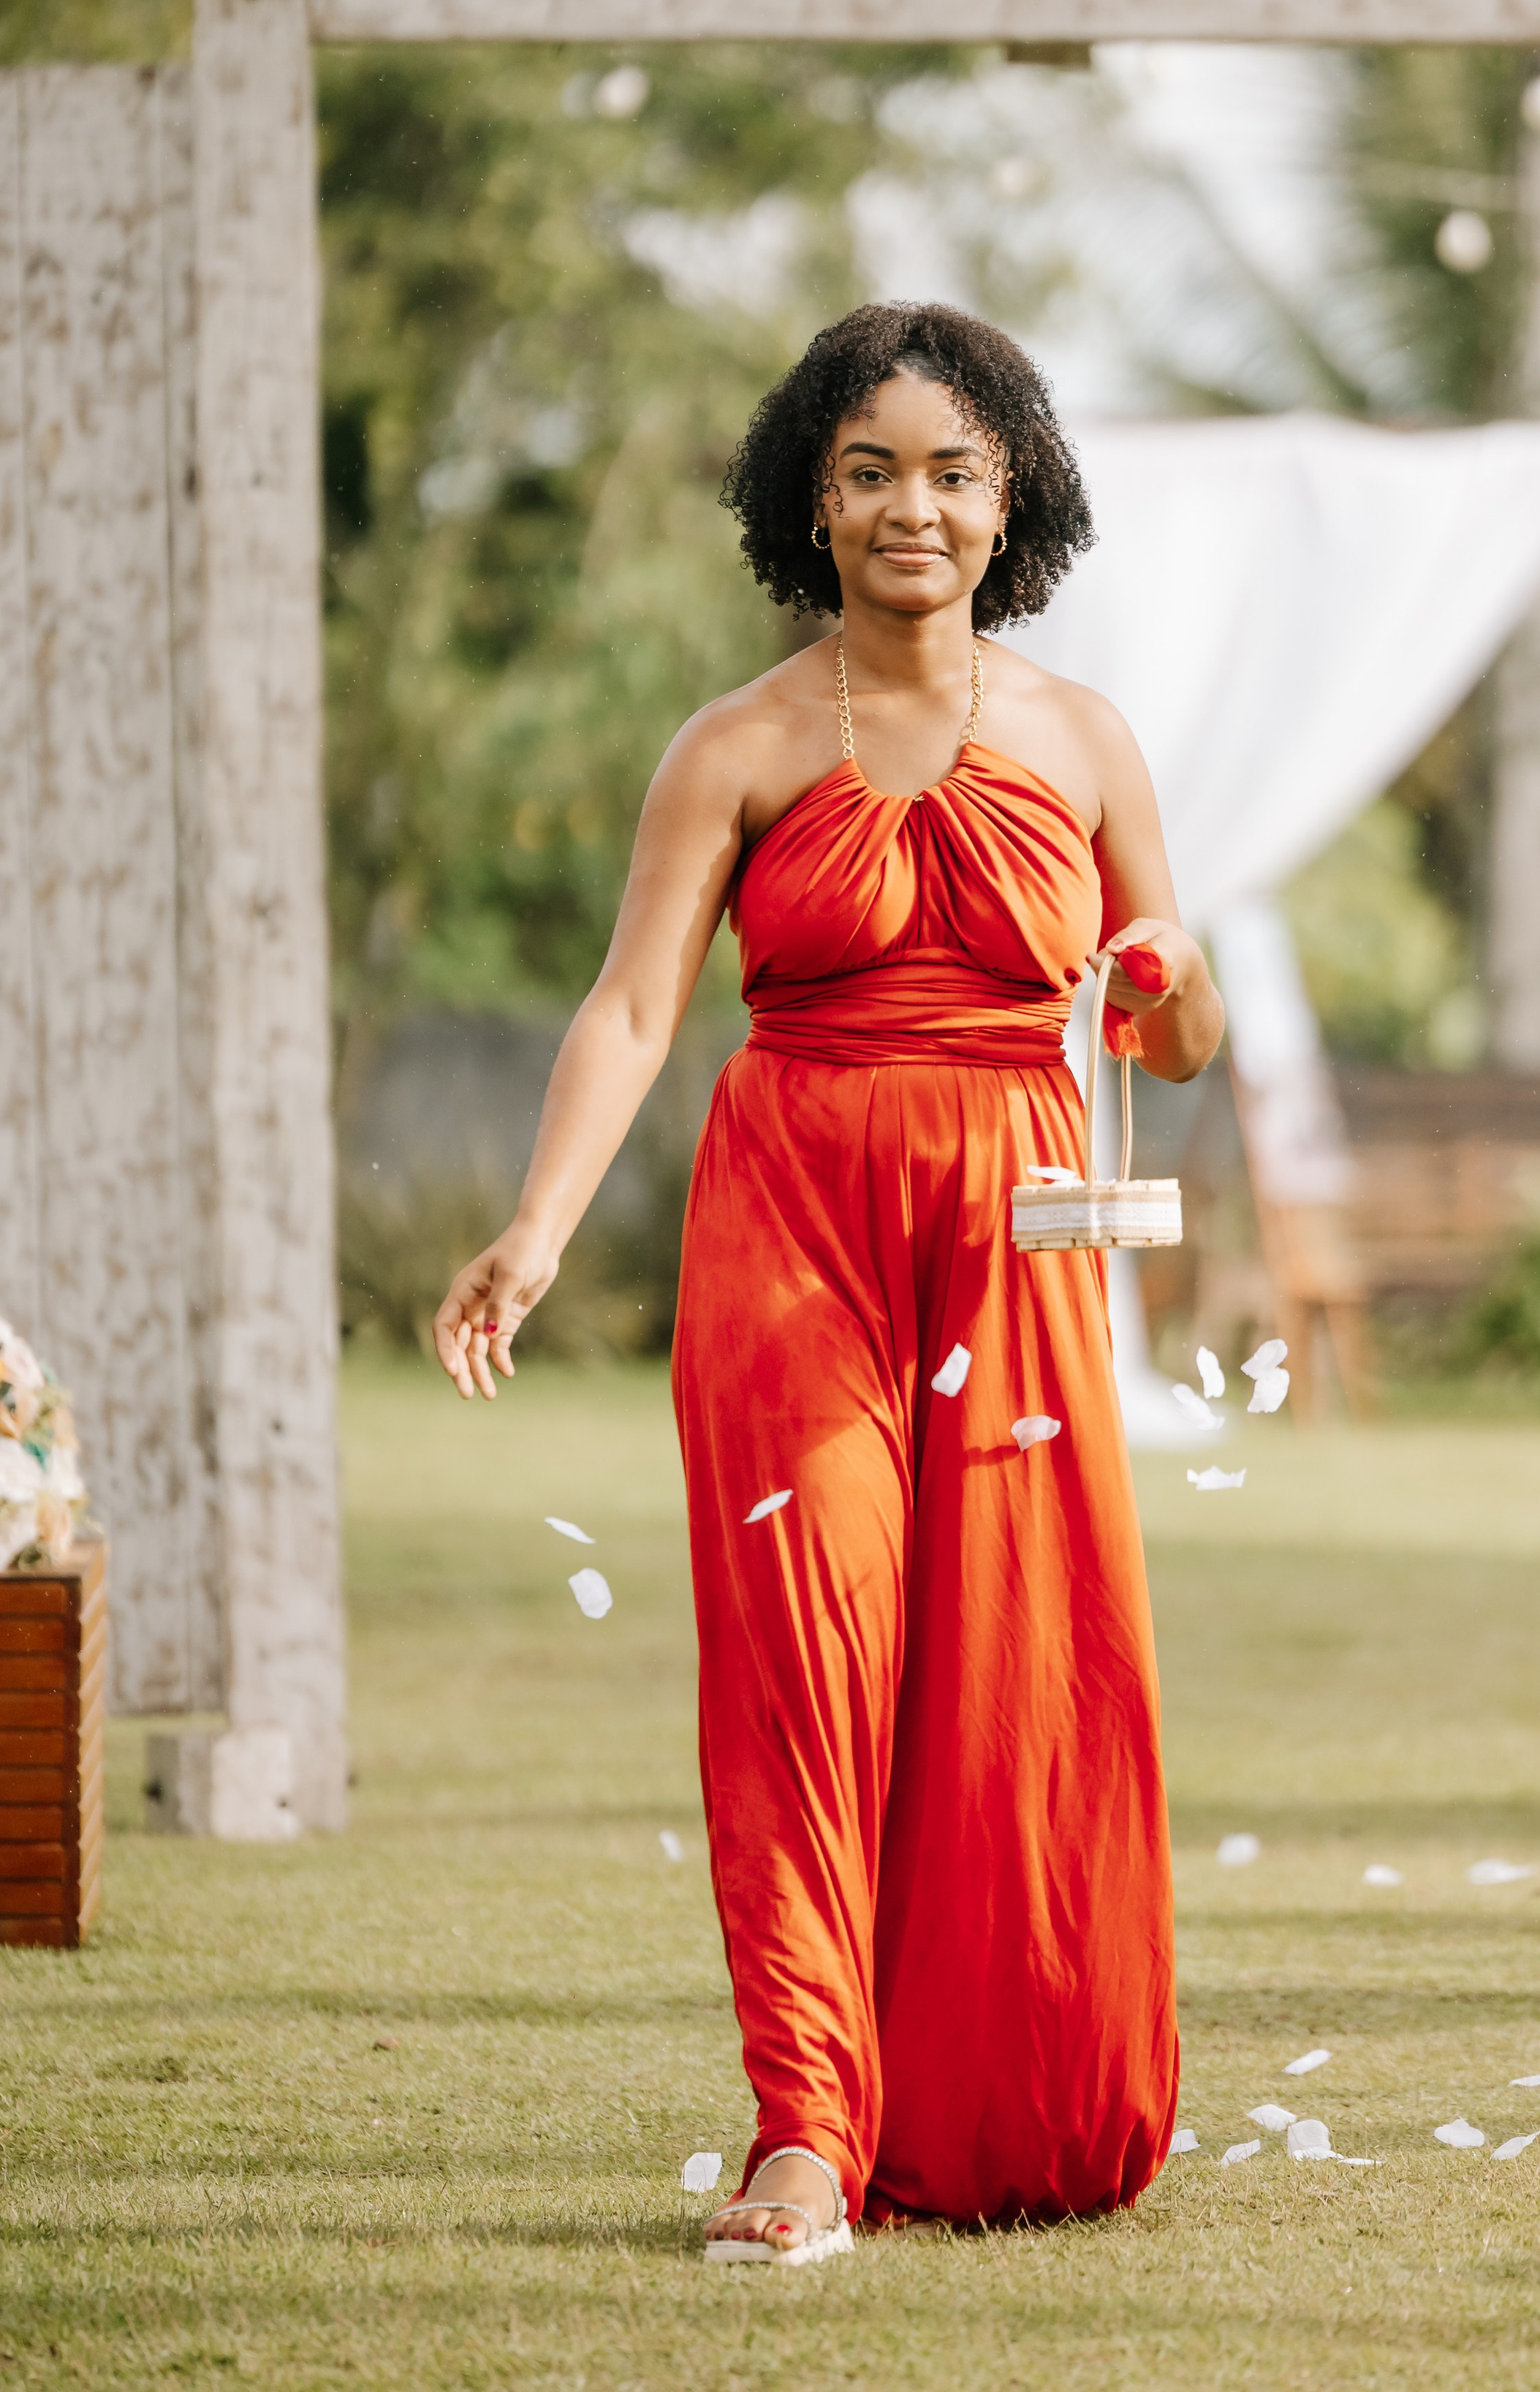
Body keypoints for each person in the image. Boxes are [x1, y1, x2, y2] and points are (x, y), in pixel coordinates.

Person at [433, 303, 1224, 2260]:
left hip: (1012, 1247)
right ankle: (805, 2129)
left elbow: (1180, 1037)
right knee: (808, 1654)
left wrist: (1171, 975)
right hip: (791, 1234)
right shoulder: (738, 745)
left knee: (1011, 1668)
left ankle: (1004, 2100)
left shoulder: (1087, 740)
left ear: (1011, 498)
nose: (911, 509)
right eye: (870, 472)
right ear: (813, 498)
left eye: (952, 472)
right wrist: (537, 1229)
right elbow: (633, 1010)